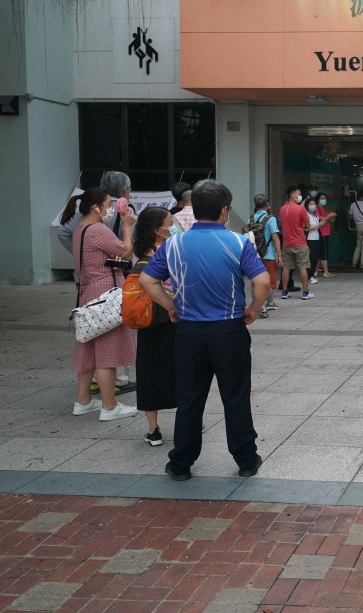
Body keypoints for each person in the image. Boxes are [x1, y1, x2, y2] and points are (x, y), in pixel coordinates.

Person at [139, 179, 270, 482]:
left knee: (190, 397)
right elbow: (262, 282)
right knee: (235, 396)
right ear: (224, 210)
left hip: (188, 332)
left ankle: (181, 463)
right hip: (229, 331)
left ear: (195, 210)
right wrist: (252, 308)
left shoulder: (174, 243)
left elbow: (147, 281)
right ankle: (246, 460)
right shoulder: (238, 243)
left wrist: (170, 306)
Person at [60, 187, 139, 421]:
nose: (110, 210)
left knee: (87, 349)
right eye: (107, 205)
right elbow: (125, 252)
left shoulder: (80, 229)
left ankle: (83, 400)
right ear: (97, 207)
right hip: (105, 293)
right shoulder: (97, 230)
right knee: (107, 351)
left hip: (87, 292)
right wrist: (127, 226)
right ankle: (109, 406)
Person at [130, 207, 177, 445]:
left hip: (147, 320)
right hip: (172, 315)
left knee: (150, 371)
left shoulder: (139, 253)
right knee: (180, 369)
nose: (174, 224)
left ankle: (153, 429)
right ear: (159, 230)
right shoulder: (169, 252)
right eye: (170, 222)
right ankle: (186, 420)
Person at [249, 194, 282, 317]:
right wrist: (279, 256)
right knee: (270, 283)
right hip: (268, 256)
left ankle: (260, 304)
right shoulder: (271, 219)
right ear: (267, 205)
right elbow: (275, 238)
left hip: (254, 256)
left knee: (255, 282)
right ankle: (261, 306)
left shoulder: (250, 219)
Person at [278, 186, 313, 300]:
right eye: (298, 194)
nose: (300, 196)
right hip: (300, 242)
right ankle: (306, 292)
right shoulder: (300, 209)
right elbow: (307, 225)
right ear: (293, 195)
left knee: (286, 268)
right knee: (303, 267)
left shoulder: (282, 209)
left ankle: (284, 291)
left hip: (286, 243)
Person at [314, 193, 338, 278]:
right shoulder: (317, 209)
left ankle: (316, 271)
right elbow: (322, 220)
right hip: (322, 232)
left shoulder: (322, 208)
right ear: (317, 199)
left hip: (325, 232)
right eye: (322, 198)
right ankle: (326, 272)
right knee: (323, 253)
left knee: (320, 253)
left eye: (325, 198)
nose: (324, 200)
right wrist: (330, 215)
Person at [303, 195, 322, 284]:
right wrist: (315, 226)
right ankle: (308, 276)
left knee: (315, 258)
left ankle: (311, 275)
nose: (313, 206)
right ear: (307, 205)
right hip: (310, 238)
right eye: (311, 204)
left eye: (314, 204)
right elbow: (305, 228)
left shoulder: (315, 214)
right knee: (310, 258)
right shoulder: (305, 215)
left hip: (316, 237)